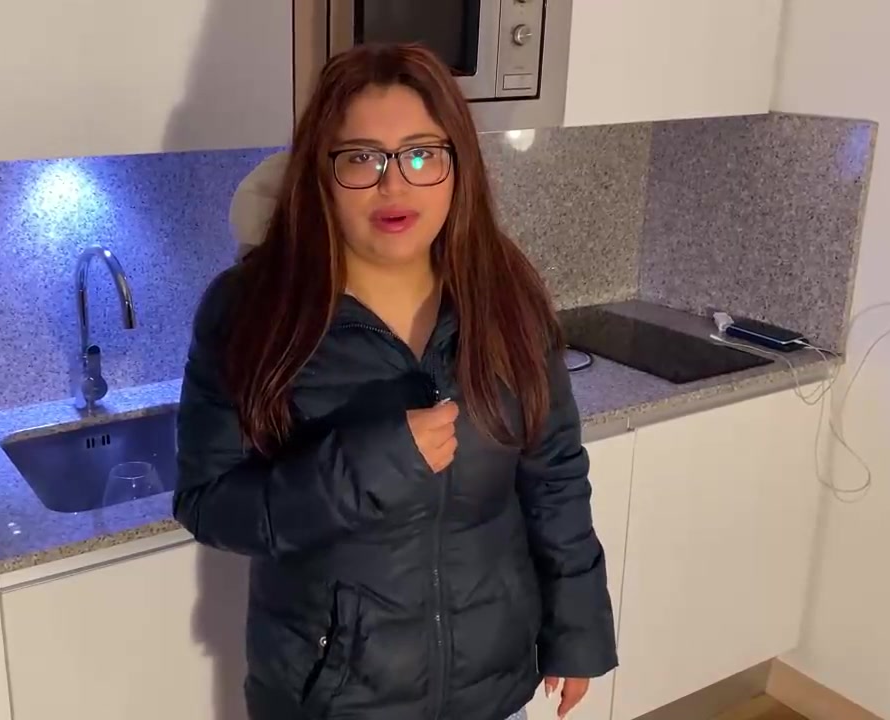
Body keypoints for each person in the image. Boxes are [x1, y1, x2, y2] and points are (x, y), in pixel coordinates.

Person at [174, 43, 617, 720]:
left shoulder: (505, 294)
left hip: (491, 691)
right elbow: (209, 502)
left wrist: (576, 629)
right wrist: (369, 466)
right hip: (333, 701)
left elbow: (553, 472)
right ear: (320, 171)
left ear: (457, 165)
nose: (394, 186)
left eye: (421, 154)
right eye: (361, 158)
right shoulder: (253, 310)